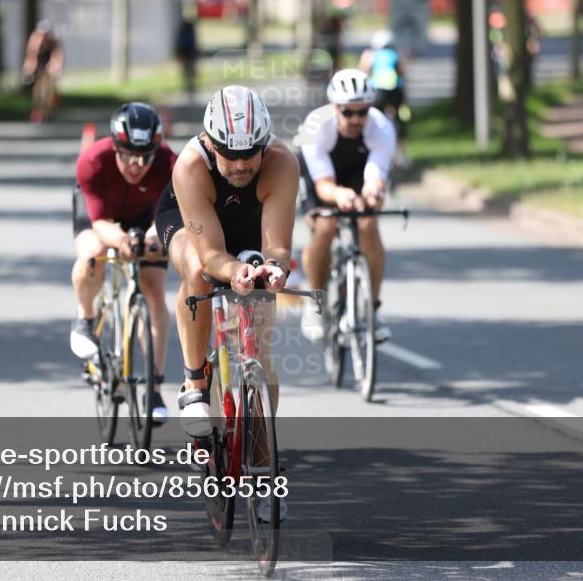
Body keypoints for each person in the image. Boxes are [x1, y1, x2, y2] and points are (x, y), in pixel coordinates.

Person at [155, 85, 297, 520]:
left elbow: (276, 247)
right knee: (198, 271)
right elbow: (213, 254)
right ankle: (195, 381)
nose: (239, 164)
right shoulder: (191, 165)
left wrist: (271, 270)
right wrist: (231, 270)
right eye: (229, 154)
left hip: (249, 227)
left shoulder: (281, 164)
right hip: (192, 227)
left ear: (264, 144)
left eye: (249, 153)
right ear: (210, 142)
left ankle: (261, 466)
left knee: (261, 352)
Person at [70, 102, 176, 425]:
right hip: (101, 214)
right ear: (115, 147)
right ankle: (87, 320)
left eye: (145, 156)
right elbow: (99, 221)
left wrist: (154, 237)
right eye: (128, 155)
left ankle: (154, 387)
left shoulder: (170, 164)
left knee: (154, 290)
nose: (137, 164)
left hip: (146, 216)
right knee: (92, 256)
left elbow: (169, 214)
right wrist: (122, 242)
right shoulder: (92, 162)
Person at [296, 69, 395, 344]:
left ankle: (372, 310)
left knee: (368, 222)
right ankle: (314, 305)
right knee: (325, 226)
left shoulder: (382, 128)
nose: (355, 119)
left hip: (356, 167)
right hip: (320, 175)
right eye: (347, 112)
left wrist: (372, 194)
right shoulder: (316, 125)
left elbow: (375, 178)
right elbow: (324, 186)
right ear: (333, 107)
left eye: (362, 111)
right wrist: (341, 197)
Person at [358, 30, 407, 140]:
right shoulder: (396, 54)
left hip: (377, 92)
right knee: (398, 120)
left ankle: (376, 142)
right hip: (395, 91)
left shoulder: (369, 54)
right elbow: (402, 73)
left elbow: (363, 73)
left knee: (375, 119)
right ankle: (401, 150)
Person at [22, 20, 64, 123]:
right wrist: (29, 69)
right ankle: (37, 111)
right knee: (38, 91)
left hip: (48, 66)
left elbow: (57, 54)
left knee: (48, 90)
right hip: (38, 66)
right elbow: (31, 55)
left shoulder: (53, 41)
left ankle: (46, 111)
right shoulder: (35, 40)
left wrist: (55, 66)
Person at [174, 17, 198, 100]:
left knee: (189, 72)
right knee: (188, 72)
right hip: (188, 54)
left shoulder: (186, 30)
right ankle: (189, 87)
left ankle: (190, 87)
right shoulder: (187, 30)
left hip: (188, 54)